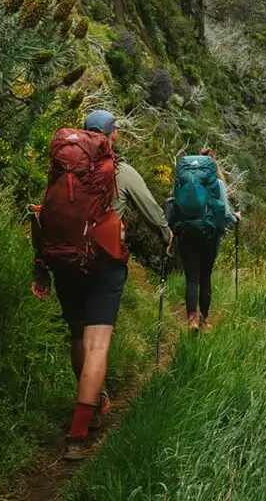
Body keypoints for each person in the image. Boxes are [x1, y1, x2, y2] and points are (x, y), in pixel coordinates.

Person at [30, 109, 170, 460]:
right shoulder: (120, 172)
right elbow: (152, 211)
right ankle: (78, 435)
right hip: (103, 266)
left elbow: (48, 214)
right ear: (113, 136)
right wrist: (167, 235)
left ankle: (94, 404)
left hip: (64, 262)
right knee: (97, 346)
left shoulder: (62, 169)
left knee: (77, 337)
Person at [164, 145, 237, 334]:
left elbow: (173, 204)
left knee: (192, 278)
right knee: (205, 276)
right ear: (213, 166)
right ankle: (204, 321)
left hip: (186, 233)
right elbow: (225, 213)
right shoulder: (217, 183)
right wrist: (236, 218)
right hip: (209, 235)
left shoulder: (183, 180)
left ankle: (191, 320)